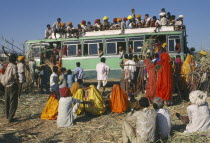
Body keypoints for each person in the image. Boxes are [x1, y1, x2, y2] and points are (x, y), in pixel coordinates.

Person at [1, 54, 18, 123]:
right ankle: (11, 117)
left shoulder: (5, 66)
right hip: (12, 85)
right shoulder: (14, 66)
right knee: (13, 101)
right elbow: (15, 76)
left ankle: (7, 116)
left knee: (7, 101)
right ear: (14, 60)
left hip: (5, 85)